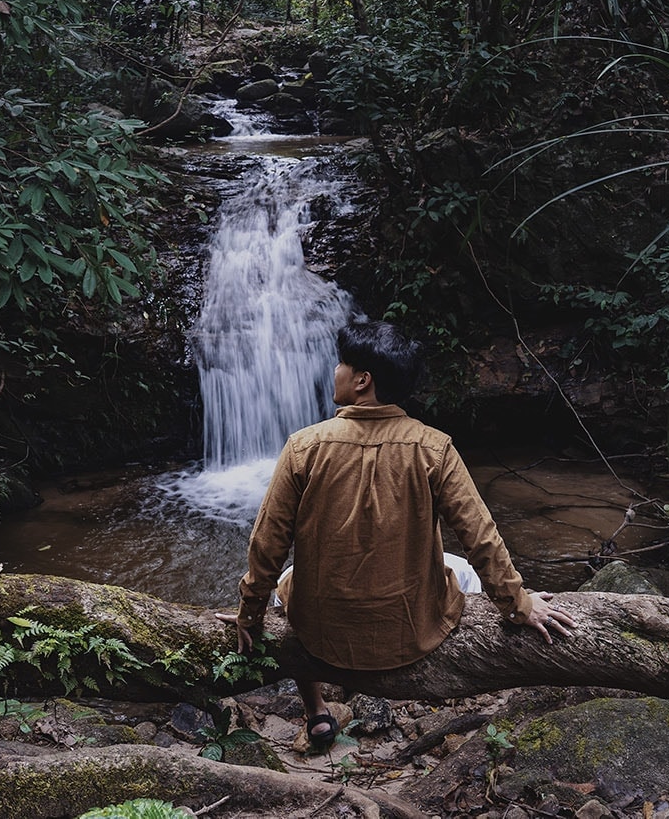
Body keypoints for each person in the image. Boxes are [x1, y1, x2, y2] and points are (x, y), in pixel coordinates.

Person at [217, 319, 575, 749]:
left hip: (323, 635)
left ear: (362, 380)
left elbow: (267, 544)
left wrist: (250, 614)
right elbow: (480, 535)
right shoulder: (434, 447)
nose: (335, 371)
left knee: (287, 580)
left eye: (342, 364)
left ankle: (315, 710)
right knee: (460, 568)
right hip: (410, 634)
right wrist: (519, 605)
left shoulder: (303, 447)